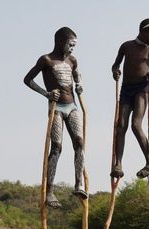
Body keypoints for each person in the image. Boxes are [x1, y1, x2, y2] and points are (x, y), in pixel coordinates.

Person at [24, 27, 86, 208]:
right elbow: (28, 79)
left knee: (80, 143)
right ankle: (50, 191)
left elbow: (76, 75)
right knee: (57, 146)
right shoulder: (46, 60)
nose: (72, 48)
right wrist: (46, 94)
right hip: (56, 107)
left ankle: (78, 184)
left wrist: (80, 84)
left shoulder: (72, 60)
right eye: (70, 44)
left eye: (75, 45)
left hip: (72, 106)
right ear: (60, 42)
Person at [111, 18, 149, 179]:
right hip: (126, 90)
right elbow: (115, 65)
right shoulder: (126, 46)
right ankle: (118, 164)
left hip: (141, 90)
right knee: (120, 125)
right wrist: (115, 71)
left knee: (136, 125)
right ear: (142, 32)